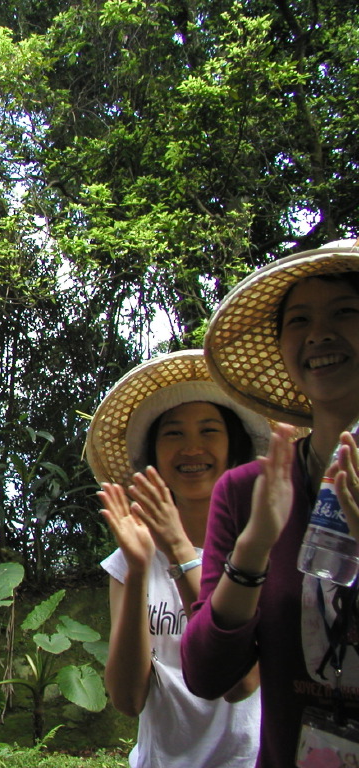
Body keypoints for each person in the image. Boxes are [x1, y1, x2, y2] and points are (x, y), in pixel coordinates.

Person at [182, 238, 359, 768]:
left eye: (346, 312)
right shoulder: (246, 492)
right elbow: (208, 673)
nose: (319, 334)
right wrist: (254, 547)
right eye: (298, 321)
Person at [86, 350, 268, 767]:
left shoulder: (258, 545)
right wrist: (136, 570)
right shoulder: (131, 557)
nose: (191, 448)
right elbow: (128, 699)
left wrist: (179, 553)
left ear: (233, 446)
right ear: (153, 455)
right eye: (173, 434)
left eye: (209, 430)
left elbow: (242, 682)